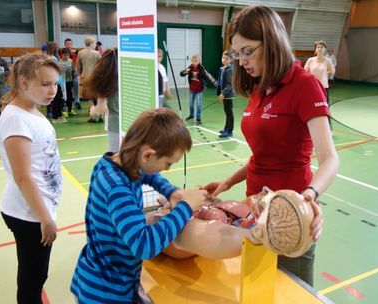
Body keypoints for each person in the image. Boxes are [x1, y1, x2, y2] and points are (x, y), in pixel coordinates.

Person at [203, 5, 339, 287]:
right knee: (258, 287)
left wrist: (308, 197)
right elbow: (262, 156)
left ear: (272, 42)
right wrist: (228, 182)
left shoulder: (305, 85)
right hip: (256, 208)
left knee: (292, 291)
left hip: (290, 214)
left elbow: (329, 160)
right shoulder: (259, 87)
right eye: (237, 53)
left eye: (247, 51)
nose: (241, 61)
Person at [70, 108, 208, 303]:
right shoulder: (118, 189)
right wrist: (185, 207)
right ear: (147, 156)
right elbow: (144, 245)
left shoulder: (114, 164)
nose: (167, 169)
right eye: (168, 163)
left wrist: (171, 191)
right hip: (105, 293)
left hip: (99, 277)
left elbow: (146, 174)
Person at [0, 53, 63, 303]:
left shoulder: (29, 109)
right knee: (33, 278)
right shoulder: (16, 119)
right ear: (23, 82)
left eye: (55, 83)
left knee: (34, 275)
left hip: (36, 209)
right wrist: (45, 218)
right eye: (45, 84)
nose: (52, 90)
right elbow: (23, 177)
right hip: (29, 213)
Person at [149, 187, 317, 260]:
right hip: (183, 228)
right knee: (223, 210)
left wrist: (180, 206)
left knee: (152, 221)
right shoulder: (256, 212)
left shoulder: (230, 236)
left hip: (171, 235)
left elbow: (170, 232)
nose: (265, 192)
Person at [83, 48, 120, 153]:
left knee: (115, 158)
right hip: (132, 125)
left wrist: (92, 109)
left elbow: (100, 108)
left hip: (115, 126)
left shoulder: (108, 80)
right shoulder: (127, 77)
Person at [304, 41, 335, 128]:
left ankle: (328, 128)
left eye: (322, 47)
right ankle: (307, 126)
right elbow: (305, 71)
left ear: (324, 49)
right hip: (312, 88)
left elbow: (332, 71)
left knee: (325, 108)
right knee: (308, 107)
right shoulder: (310, 60)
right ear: (315, 49)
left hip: (323, 88)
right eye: (318, 47)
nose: (320, 49)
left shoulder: (327, 61)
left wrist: (325, 73)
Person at [180, 54, 217, 125]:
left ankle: (198, 117)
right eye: (193, 61)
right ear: (191, 61)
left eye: (196, 61)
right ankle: (191, 115)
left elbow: (208, 75)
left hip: (199, 90)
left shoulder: (201, 68)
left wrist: (215, 82)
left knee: (198, 104)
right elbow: (182, 74)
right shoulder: (190, 68)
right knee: (191, 104)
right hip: (192, 89)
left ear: (199, 61)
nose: (195, 62)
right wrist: (184, 72)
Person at [76, 37, 101, 122]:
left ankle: (93, 116)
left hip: (85, 77)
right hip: (96, 77)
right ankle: (99, 115)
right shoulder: (97, 53)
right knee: (97, 96)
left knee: (90, 98)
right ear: (91, 43)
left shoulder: (80, 53)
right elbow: (101, 66)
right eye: (94, 43)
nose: (95, 45)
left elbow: (78, 67)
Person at [46, 41, 67, 123]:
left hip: (52, 80)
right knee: (57, 100)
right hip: (56, 81)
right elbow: (56, 71)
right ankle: (57, 117)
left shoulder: (48, 57)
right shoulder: (53, 58)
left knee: (56, 100)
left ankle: (57, 116)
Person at [217, 50, 236, 138]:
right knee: (227, 112)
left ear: (231, 59)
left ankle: (230, 131)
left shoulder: (229, 69)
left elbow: (230, 84)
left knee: (229, 112)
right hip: (225, 95)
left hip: (228, 95)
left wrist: (223, 93)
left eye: (226, 58)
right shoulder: (224, 68)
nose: (224, 60)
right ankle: (226, 128)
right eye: (223, 58)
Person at [63, 38, 81, 110]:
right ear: (65, 45)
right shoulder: (62, 52)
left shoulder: (76, 52)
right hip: (66, 75)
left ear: (72, 45)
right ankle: (67, 103)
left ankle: (77, 102)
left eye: (70, 44)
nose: (69, 45)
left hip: (75, 74)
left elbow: (78, 62)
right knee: (67, 89)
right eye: (67, 44)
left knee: (76, 87)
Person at [59, 48, 77, 117]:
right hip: (62, 82)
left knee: (70, 96)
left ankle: (70, 110)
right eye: (64, 54)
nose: (66, 56)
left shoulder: (70, 61)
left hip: (69, 81)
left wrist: (74, 70)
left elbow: (73, 70)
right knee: (63, 96)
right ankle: (64, 111)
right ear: (62, 55)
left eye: (67, 55)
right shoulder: (59, 62)